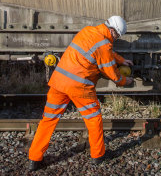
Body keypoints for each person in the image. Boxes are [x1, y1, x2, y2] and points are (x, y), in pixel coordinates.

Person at [28, 16, 134, 171]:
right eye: (117, 35)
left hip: (58, 82)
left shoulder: (87, 31)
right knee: (93, 118)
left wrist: (120, 59)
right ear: (112, 31)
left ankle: (34, 159)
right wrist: (126, 81)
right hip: (80, 86)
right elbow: (113, 74)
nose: (116, 38)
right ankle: (98, 155)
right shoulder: (104, 45)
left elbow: (102, 50)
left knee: (48, 120)